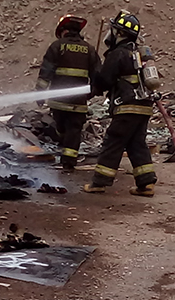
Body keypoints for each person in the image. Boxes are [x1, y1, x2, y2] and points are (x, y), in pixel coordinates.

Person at [83, 11, 157, 196]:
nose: (111, 34)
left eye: (114, 30)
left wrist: (95, 83)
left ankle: (99, 182)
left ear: (120, 33)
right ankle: (146, 183)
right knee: (136, 143)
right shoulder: (138, 53)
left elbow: (106, 80)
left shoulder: (118, 54)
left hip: (127, 105)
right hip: (144, 105)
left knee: (113, 141)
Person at [36, 15, 101, 171]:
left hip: (58, 102)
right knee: (74, 130)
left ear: (63, 31)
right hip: (78, 103)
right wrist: (91, 93)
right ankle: (69, 163)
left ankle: (64, 154)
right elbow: (98, 76)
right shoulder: (89, 49)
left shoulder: (57, 46)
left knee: (61, 128)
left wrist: (40, 93)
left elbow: (46, 72)